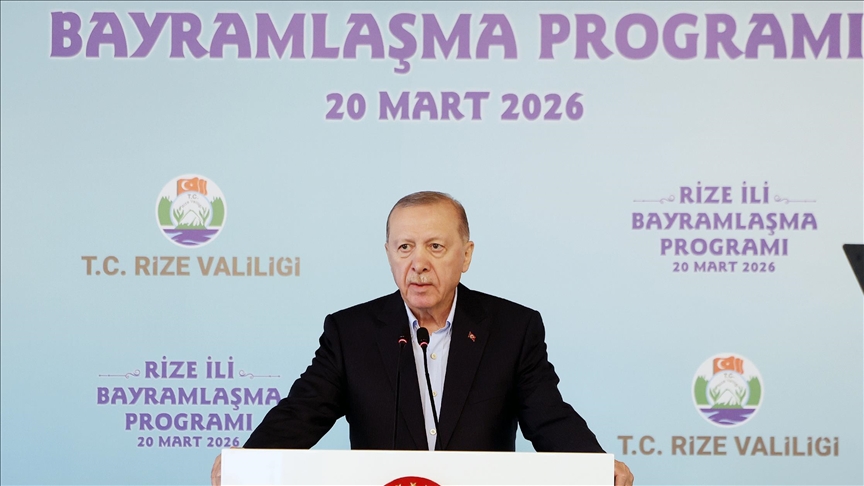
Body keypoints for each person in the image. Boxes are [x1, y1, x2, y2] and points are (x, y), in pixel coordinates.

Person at [211, 191, 634, 486]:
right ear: (388, 254)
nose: (418, 264)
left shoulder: (512, 328)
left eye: (435, 246)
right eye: (404, 248)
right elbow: (302, 412)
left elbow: (548, 417)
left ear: (466, 255)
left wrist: (596, 468)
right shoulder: (351, 332)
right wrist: (248, 462)